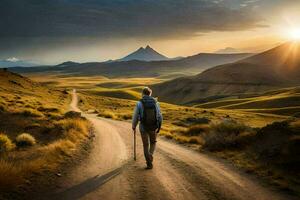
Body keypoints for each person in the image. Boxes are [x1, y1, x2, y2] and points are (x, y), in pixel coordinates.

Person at [132, 87, 163, 169]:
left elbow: (135, 116)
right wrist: (159, 127)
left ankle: (149, 162)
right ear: (150, 94)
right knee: (153, 143)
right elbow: (160, 116)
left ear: (143, 93)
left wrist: (133, 126)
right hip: (153, 127)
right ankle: (151, 155)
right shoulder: (156, 103)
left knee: (145, 145)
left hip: (143, 127)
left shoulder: (139, 103)